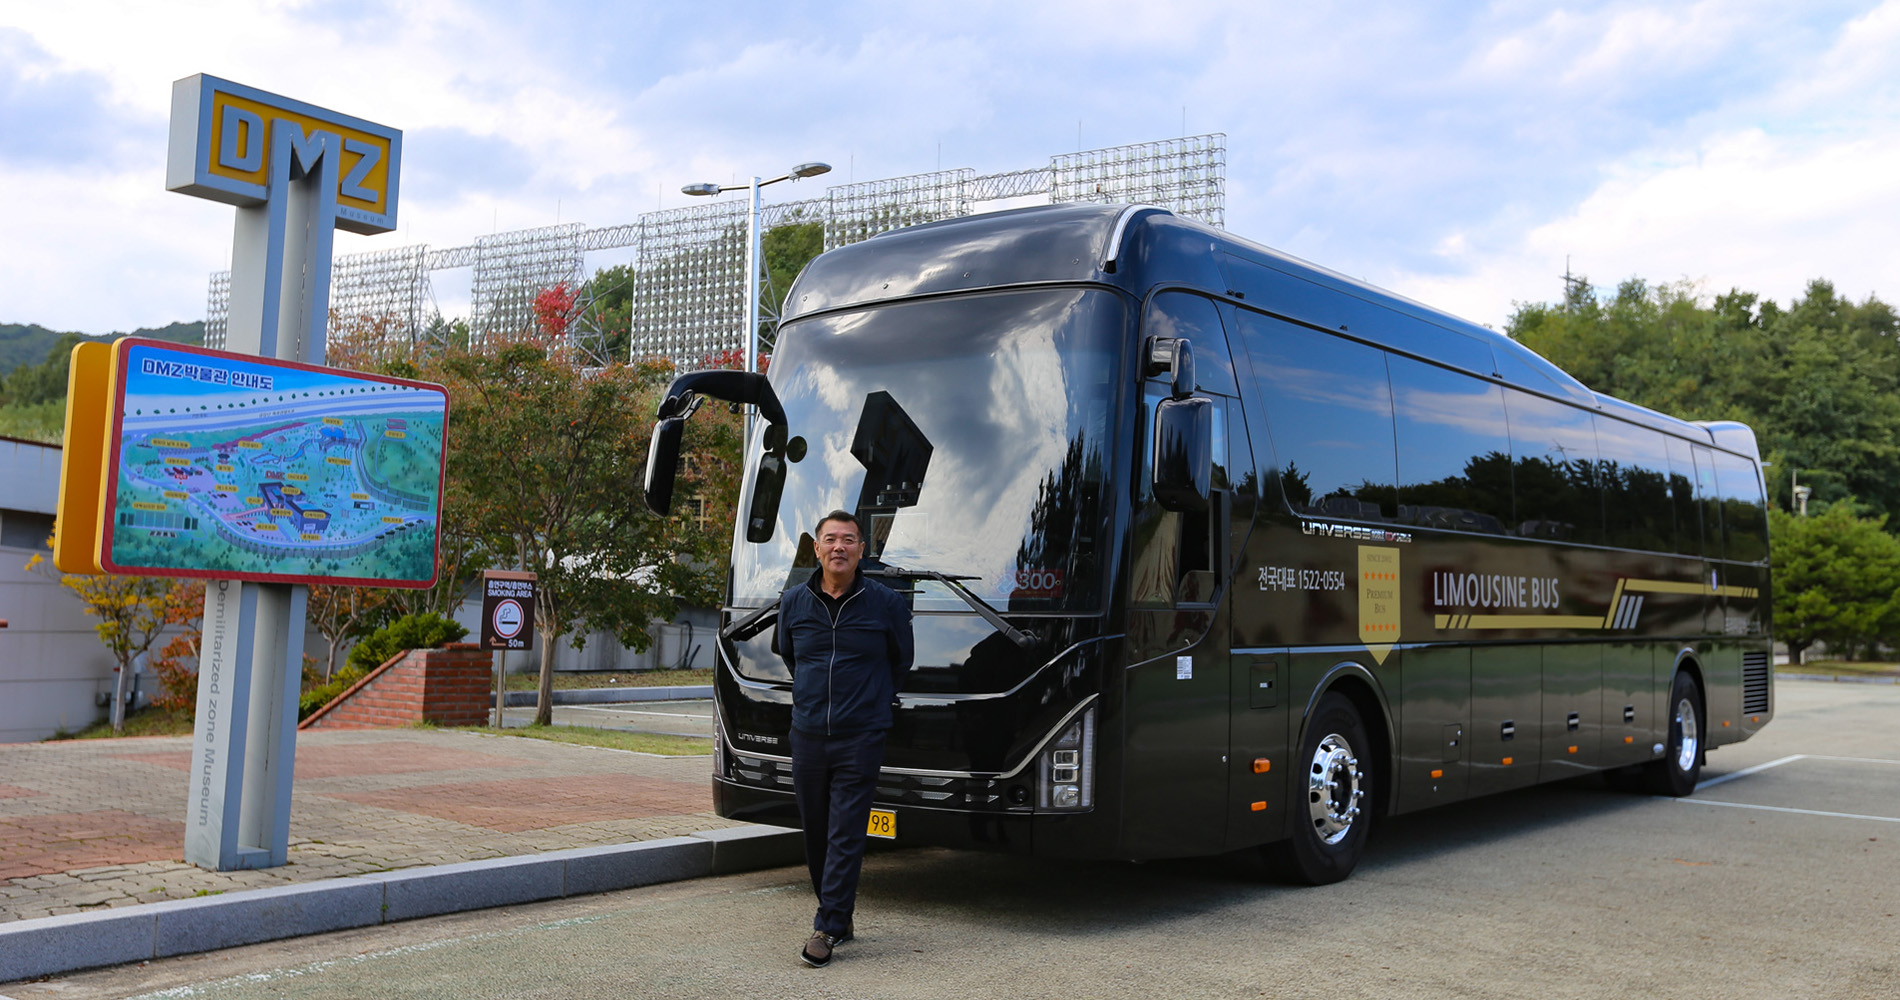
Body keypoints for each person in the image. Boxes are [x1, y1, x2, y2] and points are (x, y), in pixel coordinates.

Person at [774, 509, 914, 968]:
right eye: (830, 539)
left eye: (849, 539)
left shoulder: (886, 603)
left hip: (862, 736)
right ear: (815, 549)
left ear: (861, 550)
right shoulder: (794, 601)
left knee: (847, 829)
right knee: (816, 830)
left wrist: (869, 704)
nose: (839, 547)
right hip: (809, 734)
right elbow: (792, 656)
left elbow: (901, 662)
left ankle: (827, 926)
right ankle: (841, 912)